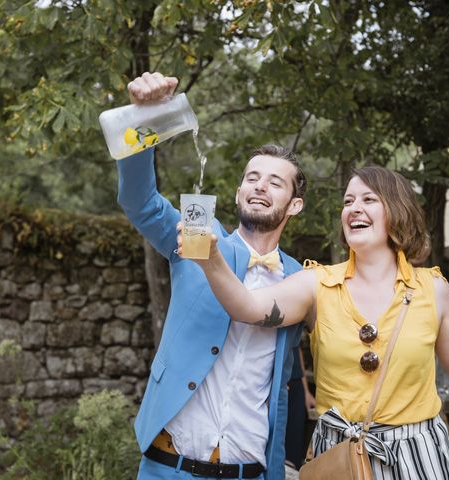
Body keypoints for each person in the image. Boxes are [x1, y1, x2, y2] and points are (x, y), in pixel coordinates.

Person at [179, 166, 449, 480]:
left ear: (395, 212)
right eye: (347, 202)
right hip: (338, 455)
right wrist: (210, 258)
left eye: (368, 199)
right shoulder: (315, 284)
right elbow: (248, 308)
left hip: (419, 454)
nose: (353, 208)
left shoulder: (433, 289)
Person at [118, 72, 307, 479]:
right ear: (238, 193)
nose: (259, 187)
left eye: (275, 183)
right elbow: (140, 202)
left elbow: (287, 383)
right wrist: (141, 120)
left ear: (294, 206)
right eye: (251, 178)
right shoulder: (198, 234)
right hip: (169, 467)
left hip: (250, 472)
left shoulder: (302, 280)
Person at [284, 346, 316, 472]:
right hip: (278, 383)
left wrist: (306, 391)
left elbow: (297, 349)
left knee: (294, 440)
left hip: (295, 383)